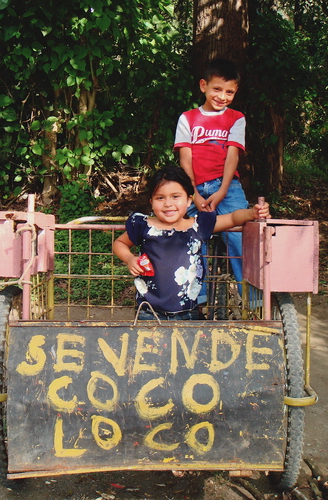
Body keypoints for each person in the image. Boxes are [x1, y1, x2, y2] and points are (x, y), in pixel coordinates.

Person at [113, 167, 269, 320]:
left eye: (175, 196)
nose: (168, 203)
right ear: (151, 202)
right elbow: (120, 243)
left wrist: (252, 213)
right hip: (148, 312)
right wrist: (129, 259)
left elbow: (233, 218)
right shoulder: (144, 226)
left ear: (189, 200)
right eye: (160, 198)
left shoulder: (197, 226)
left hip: (188, 312)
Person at [174, 58, 248, 297]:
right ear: (203, 85)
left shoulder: (236, 118)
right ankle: (197, 301)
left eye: (229, 92)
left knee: (241, 235)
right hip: (193, 189)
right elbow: (185, 160)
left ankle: (252, 298)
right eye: (217, 89)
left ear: (235, 92)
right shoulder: (188, 118)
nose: (222, 96)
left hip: (226, 187)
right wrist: (193, 194)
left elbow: (232, 157)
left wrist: (222, 191)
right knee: (192, 240)